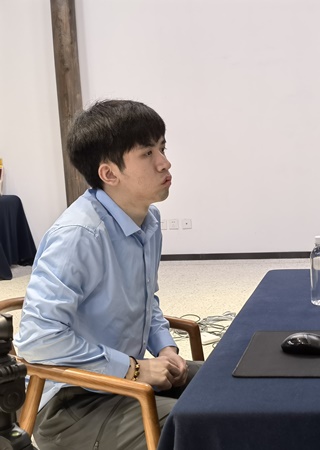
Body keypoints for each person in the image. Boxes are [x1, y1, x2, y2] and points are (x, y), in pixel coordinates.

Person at [14, 99, 200, 450]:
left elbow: (146, 299)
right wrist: (133, 369)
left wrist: (164, 348)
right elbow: (38, 340)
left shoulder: (148, 219)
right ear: (109, 174)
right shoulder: (78, 236)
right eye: (147, 153)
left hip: (123, 381)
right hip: (69, 406)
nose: (165, 162)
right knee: (200, 426)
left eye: (162, 148)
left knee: (228, 389)